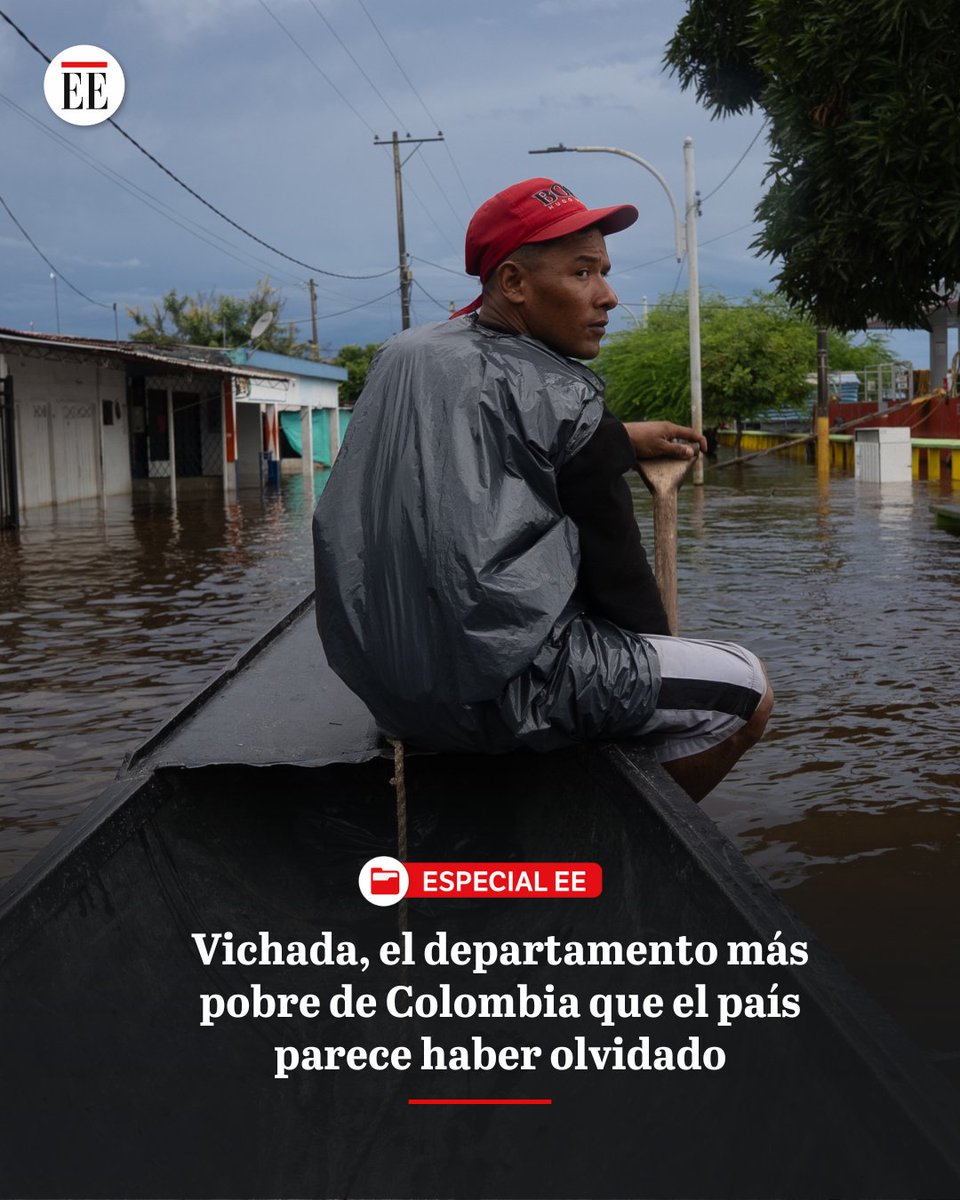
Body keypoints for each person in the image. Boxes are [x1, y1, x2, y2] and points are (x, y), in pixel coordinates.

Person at [313, 177, 772, 801]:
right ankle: (629, 831)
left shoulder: (406, 353)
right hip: (496, 700)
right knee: (746, 689)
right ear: (514, 284)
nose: (608, 296)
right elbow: (620, 580)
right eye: (583, 273)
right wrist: (653, 660)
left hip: (392, 694)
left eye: (604, 271)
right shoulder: (563, 392)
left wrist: (623, 437)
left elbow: (515, 439)